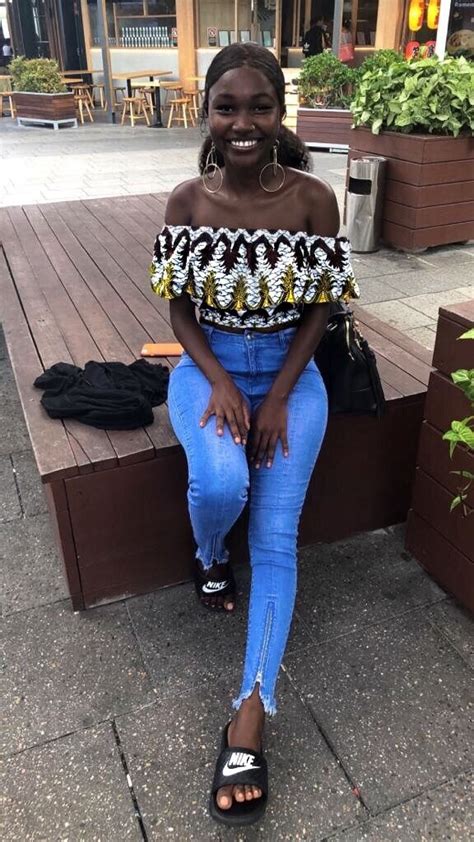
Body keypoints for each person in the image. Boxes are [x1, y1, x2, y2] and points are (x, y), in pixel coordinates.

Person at [149, 42, 359, 826]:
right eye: (227, 107)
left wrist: (275, 395)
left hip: (291, 375)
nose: (243, 122)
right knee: (222, 484)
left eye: (259, 107)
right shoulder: (186, 201)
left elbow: (323, 306)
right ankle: (207, 557)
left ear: (280, 114)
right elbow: (175, 309)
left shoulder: (312, 199)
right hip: (207, 368)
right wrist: (225, 383)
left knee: (275, 537)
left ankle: (251, 714)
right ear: (207, 113)